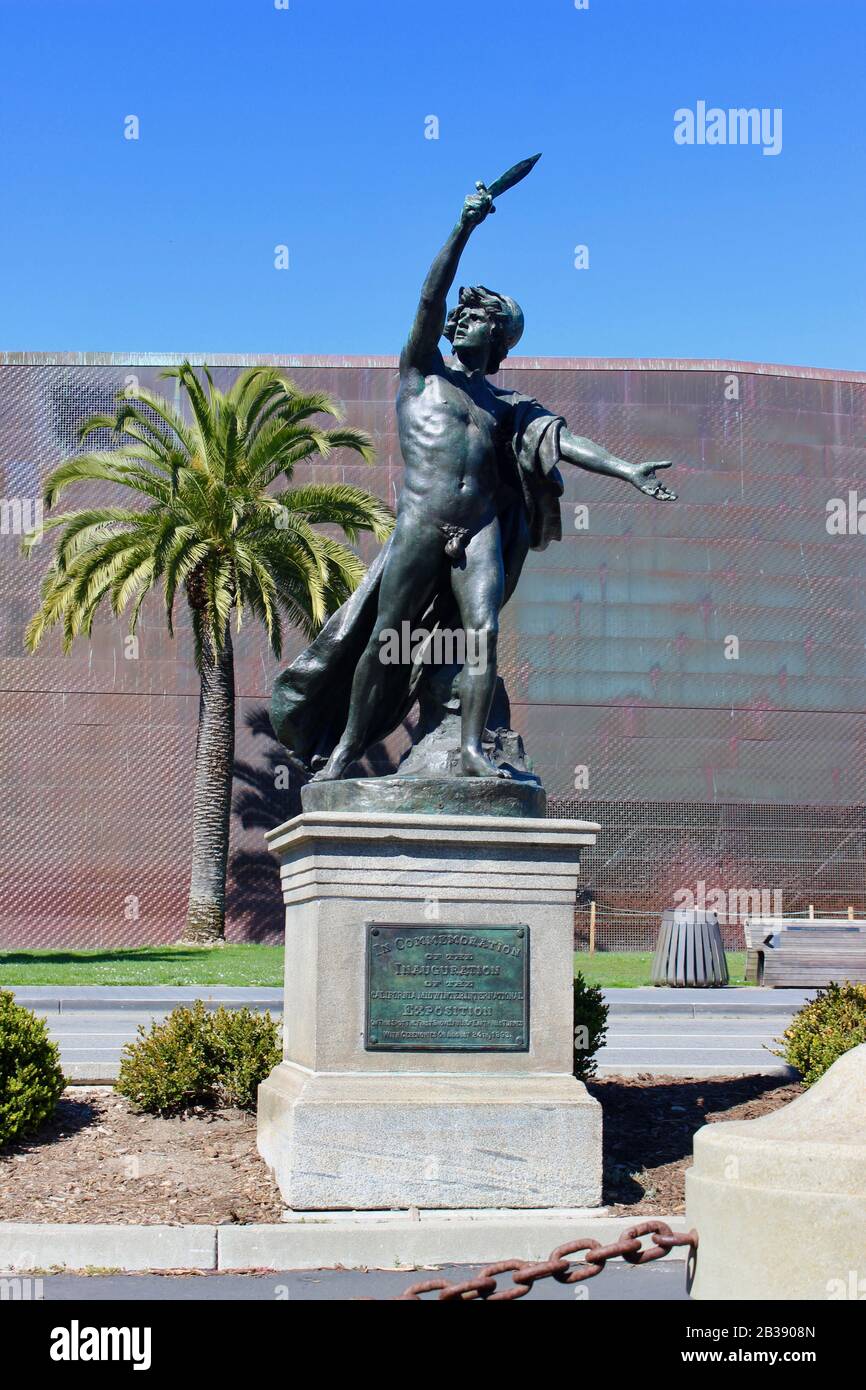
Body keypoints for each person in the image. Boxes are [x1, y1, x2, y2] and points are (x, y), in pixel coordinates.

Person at [271, 186, 676, 781]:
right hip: (421, 521)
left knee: (482, 634)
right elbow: (430, 296)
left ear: (500, 338)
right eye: (458, 316)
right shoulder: (421, 372)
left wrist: (626, 468)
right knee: (387, 636)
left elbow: (559, 440)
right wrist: (464, 228)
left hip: (479, 527)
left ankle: (470, 750)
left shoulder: (507, 405)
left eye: (477, 316)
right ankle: (343, 753)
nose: (459, 320)